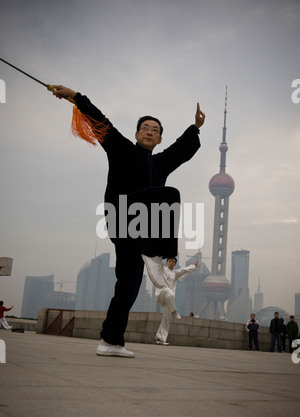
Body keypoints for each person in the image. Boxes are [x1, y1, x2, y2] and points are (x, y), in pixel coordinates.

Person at [52, 85, 206, 358]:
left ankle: (110, 341)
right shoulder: (121, 149)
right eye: (145, 127)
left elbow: (181, 150)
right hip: (123, 216)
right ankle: (165, 257)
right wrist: (74, 96)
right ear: (136, 134)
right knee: (170, 195)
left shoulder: (160, 163)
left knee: (128, 286)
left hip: (140, 234)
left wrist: (195, 127)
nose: (150, 131)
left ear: (159, 139)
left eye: (155, 130)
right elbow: (100, 121)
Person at [155, 258, 198, 345]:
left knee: (166, 318)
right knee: (167, 291)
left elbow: (184, 270)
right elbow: (156, 265)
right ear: (167, 262)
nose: (171, 263)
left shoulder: (176, 273)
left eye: (173, 262)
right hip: (161, 294)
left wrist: (194, 266)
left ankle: (161, 338)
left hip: (169, 300)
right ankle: (174, 311)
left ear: (175, 264)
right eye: (170, 261)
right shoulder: (162, 269)